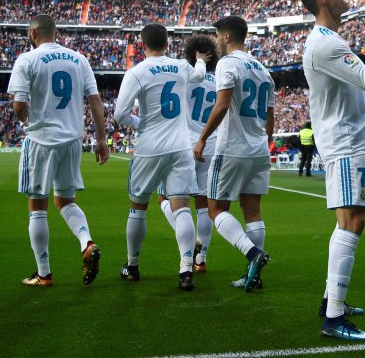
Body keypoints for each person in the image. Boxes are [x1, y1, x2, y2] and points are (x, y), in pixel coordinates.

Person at [299, 0, 365, 341]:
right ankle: (334, 318)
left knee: (350, 220)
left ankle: (332, 301)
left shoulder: (328, 41)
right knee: (352, 221)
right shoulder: (324, 44)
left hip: (346, 141)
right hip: (343, 143)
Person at [7, 14, 109, 287]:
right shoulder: (79, 59)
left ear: (32, 34)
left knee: (37, 207)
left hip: (41, 140)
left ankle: (44, 274)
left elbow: (18, 105)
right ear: (57, 32)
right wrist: (101, 139)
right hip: (72, 141)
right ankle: (86, 242)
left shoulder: (27, 60)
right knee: (66, 201)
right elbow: (95, 100)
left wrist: (26, 118)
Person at [114, 23, 209, 290]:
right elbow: (200, 76)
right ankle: (186, 268)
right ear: (168, 43)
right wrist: (200, 61)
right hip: (180, 147)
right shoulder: (181, 66)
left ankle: (132, 266)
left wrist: (140, 122)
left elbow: (120, 115)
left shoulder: (137, 72)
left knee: (138, 208)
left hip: (150, 148)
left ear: (142, 45)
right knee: (181, 207)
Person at [193, 15, 274, 293]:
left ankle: (253, 255)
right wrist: (264, 143)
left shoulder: (228, 63)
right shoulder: (263, 69)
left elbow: (222, 104)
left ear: (226, 36)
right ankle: (254, 274)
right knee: (253, 211)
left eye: (218, 35)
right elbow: (270, 116)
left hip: (232, 148)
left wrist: (203, 138)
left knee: (216, 210)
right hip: (259, 148)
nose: (216, 40)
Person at [158, 33, 220, 273]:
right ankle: (201, 259)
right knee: (203, 204)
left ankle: (190, 240)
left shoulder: (185, 76)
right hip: (211, 144)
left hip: (184, 143)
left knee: (167, 198)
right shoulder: (219, 81)